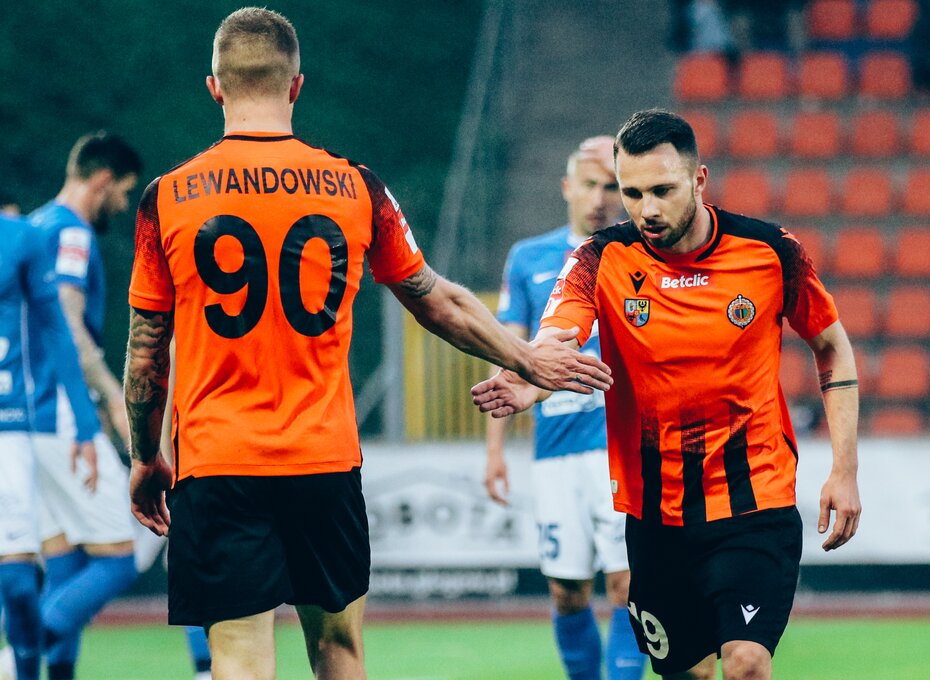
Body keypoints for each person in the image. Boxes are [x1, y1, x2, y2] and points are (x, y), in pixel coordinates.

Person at [122, 8, 610, 680]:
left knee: (238, 657)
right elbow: (436, 298)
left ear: (215, 88)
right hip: (322, 460)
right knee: (339, 650)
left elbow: (146, 352)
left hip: (218, 463)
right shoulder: (355, 186)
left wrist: (145, 456)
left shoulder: (167, 197)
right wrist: (527, 358)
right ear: (297, 86)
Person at [473, 109, 861, 680]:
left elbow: (832, 347)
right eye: (632, 193)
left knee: (747, 662)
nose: (646, 209)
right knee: (689, 672)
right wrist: (531, 373)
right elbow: (558, 333)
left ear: (699, 180)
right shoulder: (599, 258)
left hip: (755, 499)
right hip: (656, 512)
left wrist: (844, 469)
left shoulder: (769, 251)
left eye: (662, 191)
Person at [485, 136, 645, 680]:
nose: (600, 198)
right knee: (567, 591)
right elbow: (507, 356)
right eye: (590, 185)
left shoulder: (637, 252)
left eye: (610, 187)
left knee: (627, 583)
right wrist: (495, 452)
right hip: (554, 451)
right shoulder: (529, 257)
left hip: (619, 446)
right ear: (567, 187)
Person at [27, 131, 144, 680]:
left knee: (67, 564)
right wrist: (114, 398)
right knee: (120, 559)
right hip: (61, 415)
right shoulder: (72, 233)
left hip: (23, 417)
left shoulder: (32, 227)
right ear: (102, 180)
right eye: (123, 191)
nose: (122, 204)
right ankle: (15, 656)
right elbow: (70, 326)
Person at [0, 212, 100, 680]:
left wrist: (85, 424)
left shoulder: (23, 237)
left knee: (19, 584)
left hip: (10, 426)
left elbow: (57, 328)